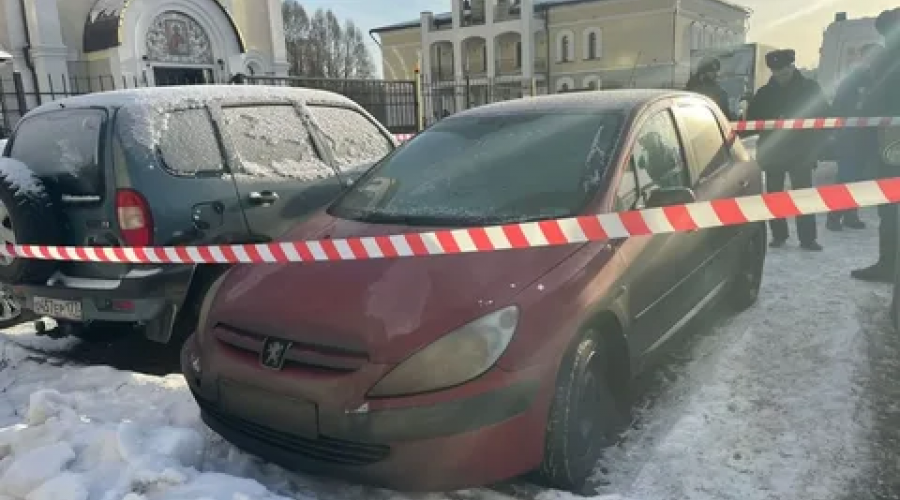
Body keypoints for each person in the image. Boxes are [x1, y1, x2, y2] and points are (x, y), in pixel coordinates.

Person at [746, 49, 831, 252]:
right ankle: (779, 234)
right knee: (775, 195)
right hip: (773, 151)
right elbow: (752, 121)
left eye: (784, 72)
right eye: (776, 72)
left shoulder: (810, 88)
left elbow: (824, 115)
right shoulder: (765, 93)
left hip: (801, 151)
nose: (780, 76)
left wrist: (816, 147)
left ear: (792, 66)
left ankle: (808, 238)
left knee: (803, 195)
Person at [851, 7, 900, 282]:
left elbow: (876, 101)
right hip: (890, 143)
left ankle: (889, 264)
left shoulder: (888, 60)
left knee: (891, 207)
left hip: (892, 145)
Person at [827, 43, 883, 232]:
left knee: (859, 178)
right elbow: (838, 105)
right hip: (850, 137)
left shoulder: (879, 77)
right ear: (863, 57)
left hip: (870, 137)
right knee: (846, 177)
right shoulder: (853, 79)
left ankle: (851, 215)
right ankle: (834, 216)